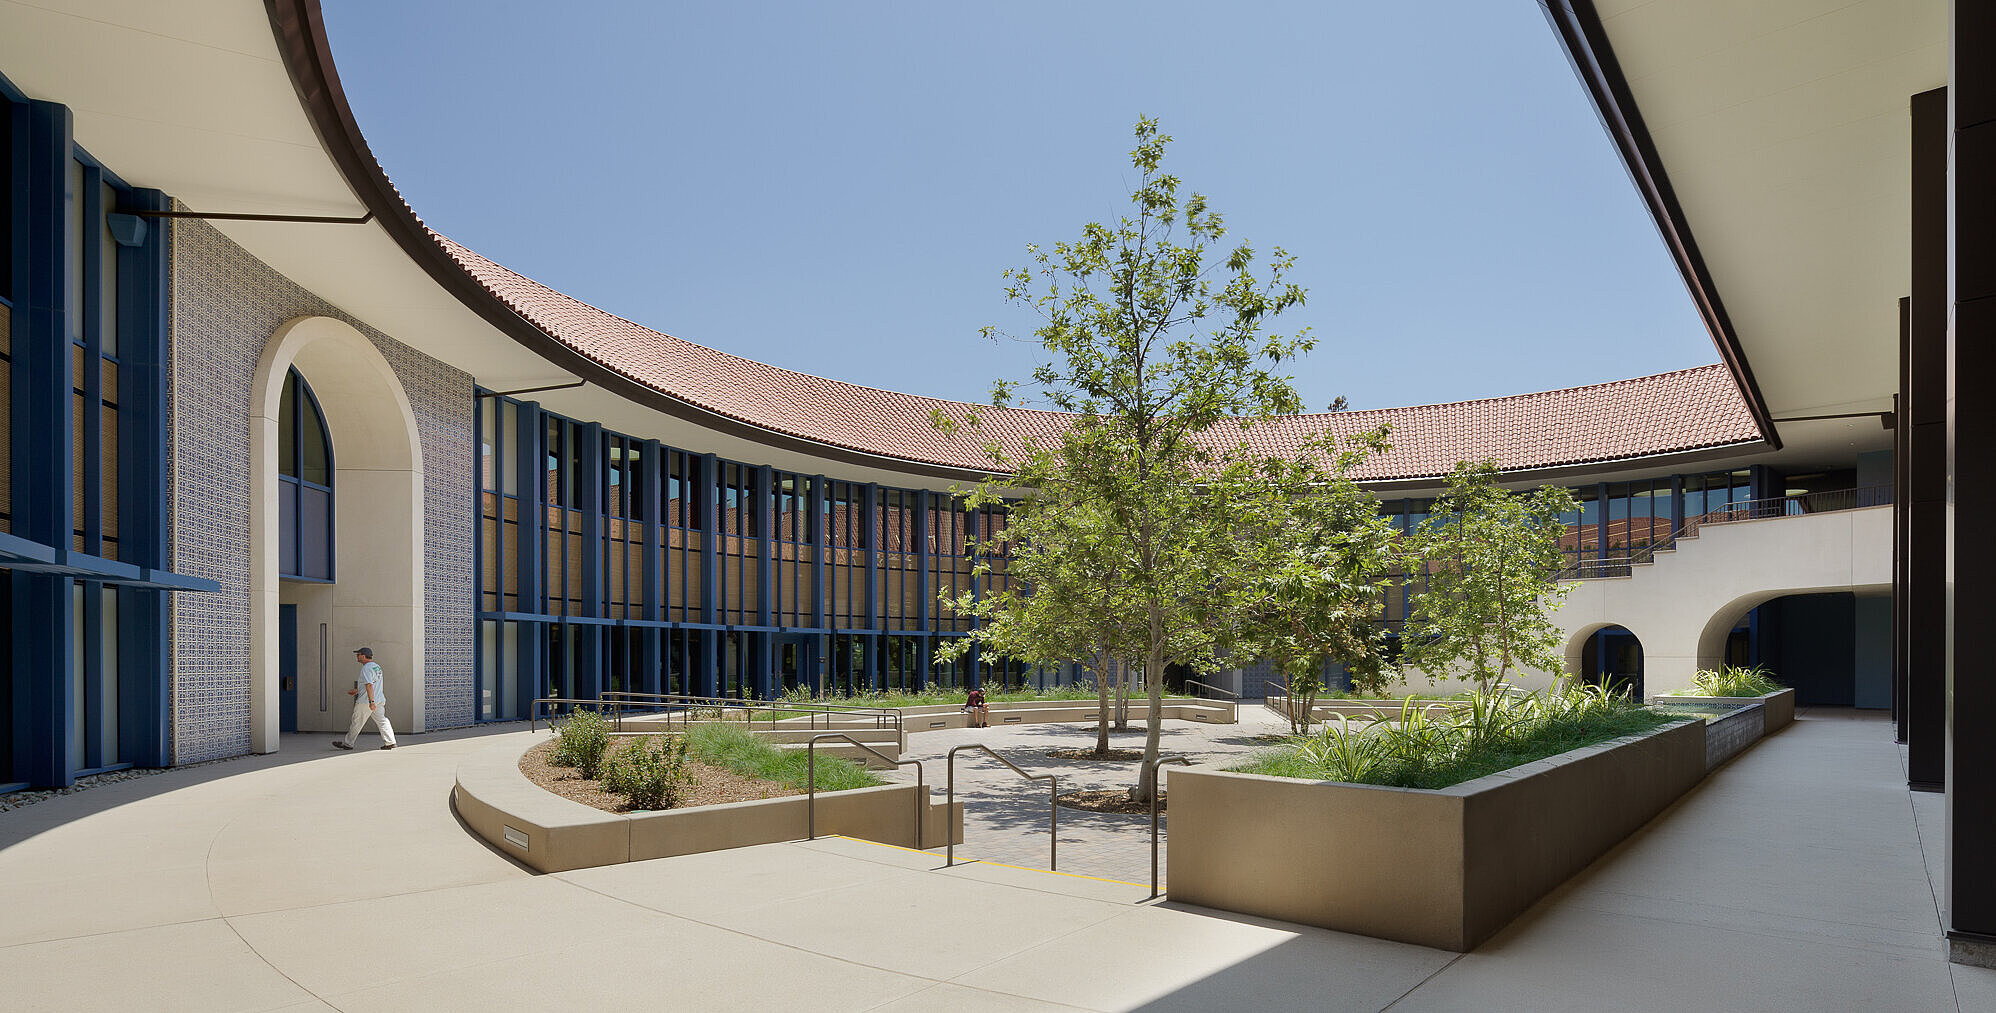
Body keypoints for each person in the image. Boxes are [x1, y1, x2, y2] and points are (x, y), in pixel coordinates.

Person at [334, 647, 397, 750]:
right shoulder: (377, 667)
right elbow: (372, 684)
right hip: (379, 700)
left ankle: (348, 744)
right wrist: (358, 690)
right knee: (382, 720)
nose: (357, 657)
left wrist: (371, 702)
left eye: (358, 655)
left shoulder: (366, 668)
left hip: (366, 702)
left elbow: (369, 685)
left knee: (356, 722)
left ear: (363, 656)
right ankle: (390, 742)